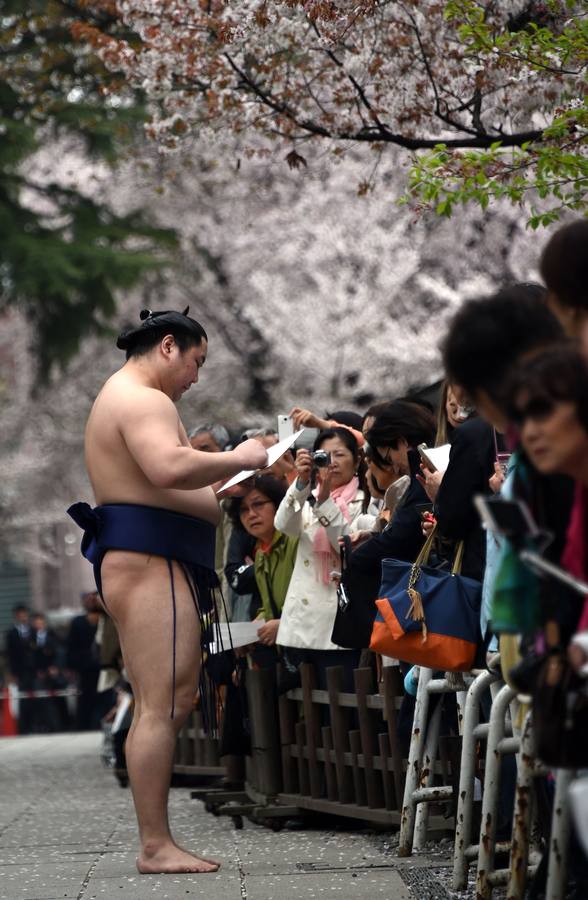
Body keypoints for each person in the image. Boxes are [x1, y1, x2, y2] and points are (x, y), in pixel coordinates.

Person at [67, 307, 267, 875]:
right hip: (149, 557)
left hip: (152, 555)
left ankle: (157, 841)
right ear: (168, 346)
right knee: (161, 703)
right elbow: (165, 467)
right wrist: (244, 456)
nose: (196, 378)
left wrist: (244, 465)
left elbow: (175, 474)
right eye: (197, 362)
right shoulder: (141, 397)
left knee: (169, 699)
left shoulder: (133, 396)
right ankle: (155, 845)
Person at [275, 427, 366, 690]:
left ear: (357, 460)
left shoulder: (365, 500)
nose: (332, 463)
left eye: (339, 454)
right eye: (324, 456)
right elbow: (283, 525)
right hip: (305, 623)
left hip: (341, 623)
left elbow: (349, 547)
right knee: (311, 717)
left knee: (344, 710)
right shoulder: (307, 499)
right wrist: (301, 483)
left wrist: (326, 502)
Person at [66, 592, 102, 730]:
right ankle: (84, 726)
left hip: (105, 666)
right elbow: (71, 646)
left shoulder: (107, 619)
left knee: (105, 698)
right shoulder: (78, 622)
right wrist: (71, 667)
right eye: (88, 600)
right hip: (86, 668)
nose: (91, 602)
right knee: (86, 698)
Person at [5, 604, 36, 734]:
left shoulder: (33, 631)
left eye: (24, 614)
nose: (23, 617)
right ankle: (24, 728)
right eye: (20, 615)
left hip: (34, 670)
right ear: (16, 616)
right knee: (23, 700)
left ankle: (36, 725)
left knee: (36, 697)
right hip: (20, 671)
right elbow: (10, 655)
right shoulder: (11, 633)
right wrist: (12, 673)